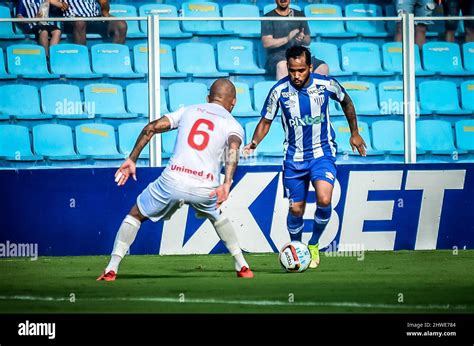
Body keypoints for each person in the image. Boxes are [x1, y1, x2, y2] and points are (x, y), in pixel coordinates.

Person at [97, 79, 254, 281]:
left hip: (172, 180)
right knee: (217, 215)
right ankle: (242, 265)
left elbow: (151, 128)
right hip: (205, 187)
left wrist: (132, 158)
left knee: (135, 214)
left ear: (208, 98)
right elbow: (233, 150)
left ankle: (112, 268)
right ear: (233, 103)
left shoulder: (188, 110)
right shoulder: (233, 125)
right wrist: (227, 183)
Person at [243, 46, 366, 269]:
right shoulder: (279, 91)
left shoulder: (326, 85)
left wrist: (355, 133)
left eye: (300, 70)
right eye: (292, 71)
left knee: (325, 199)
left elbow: (346, 101)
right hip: (293, 159)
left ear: (310, 67)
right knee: (296, 209)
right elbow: (266, 121)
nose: (296, 76)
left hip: (322, 154)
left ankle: (314, 244)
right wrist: (254, 142)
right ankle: (297, 247)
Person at [261, 0, 329, 80]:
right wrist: (287, 38)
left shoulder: (299, 15)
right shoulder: (268, 17)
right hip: (277, 55)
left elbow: (307, 41)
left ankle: (310, 92)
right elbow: (267, 43)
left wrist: (302, 38)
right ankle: (285, 92)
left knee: (323, 67)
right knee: (283, 66)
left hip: (299, 53)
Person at [62, 0, 127, 45]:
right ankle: (81, 58)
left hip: (94, 17)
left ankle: (115, 58)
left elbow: (104, 5)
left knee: (121, 25)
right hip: (73, 19)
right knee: (80, 22)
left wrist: (104, 9)